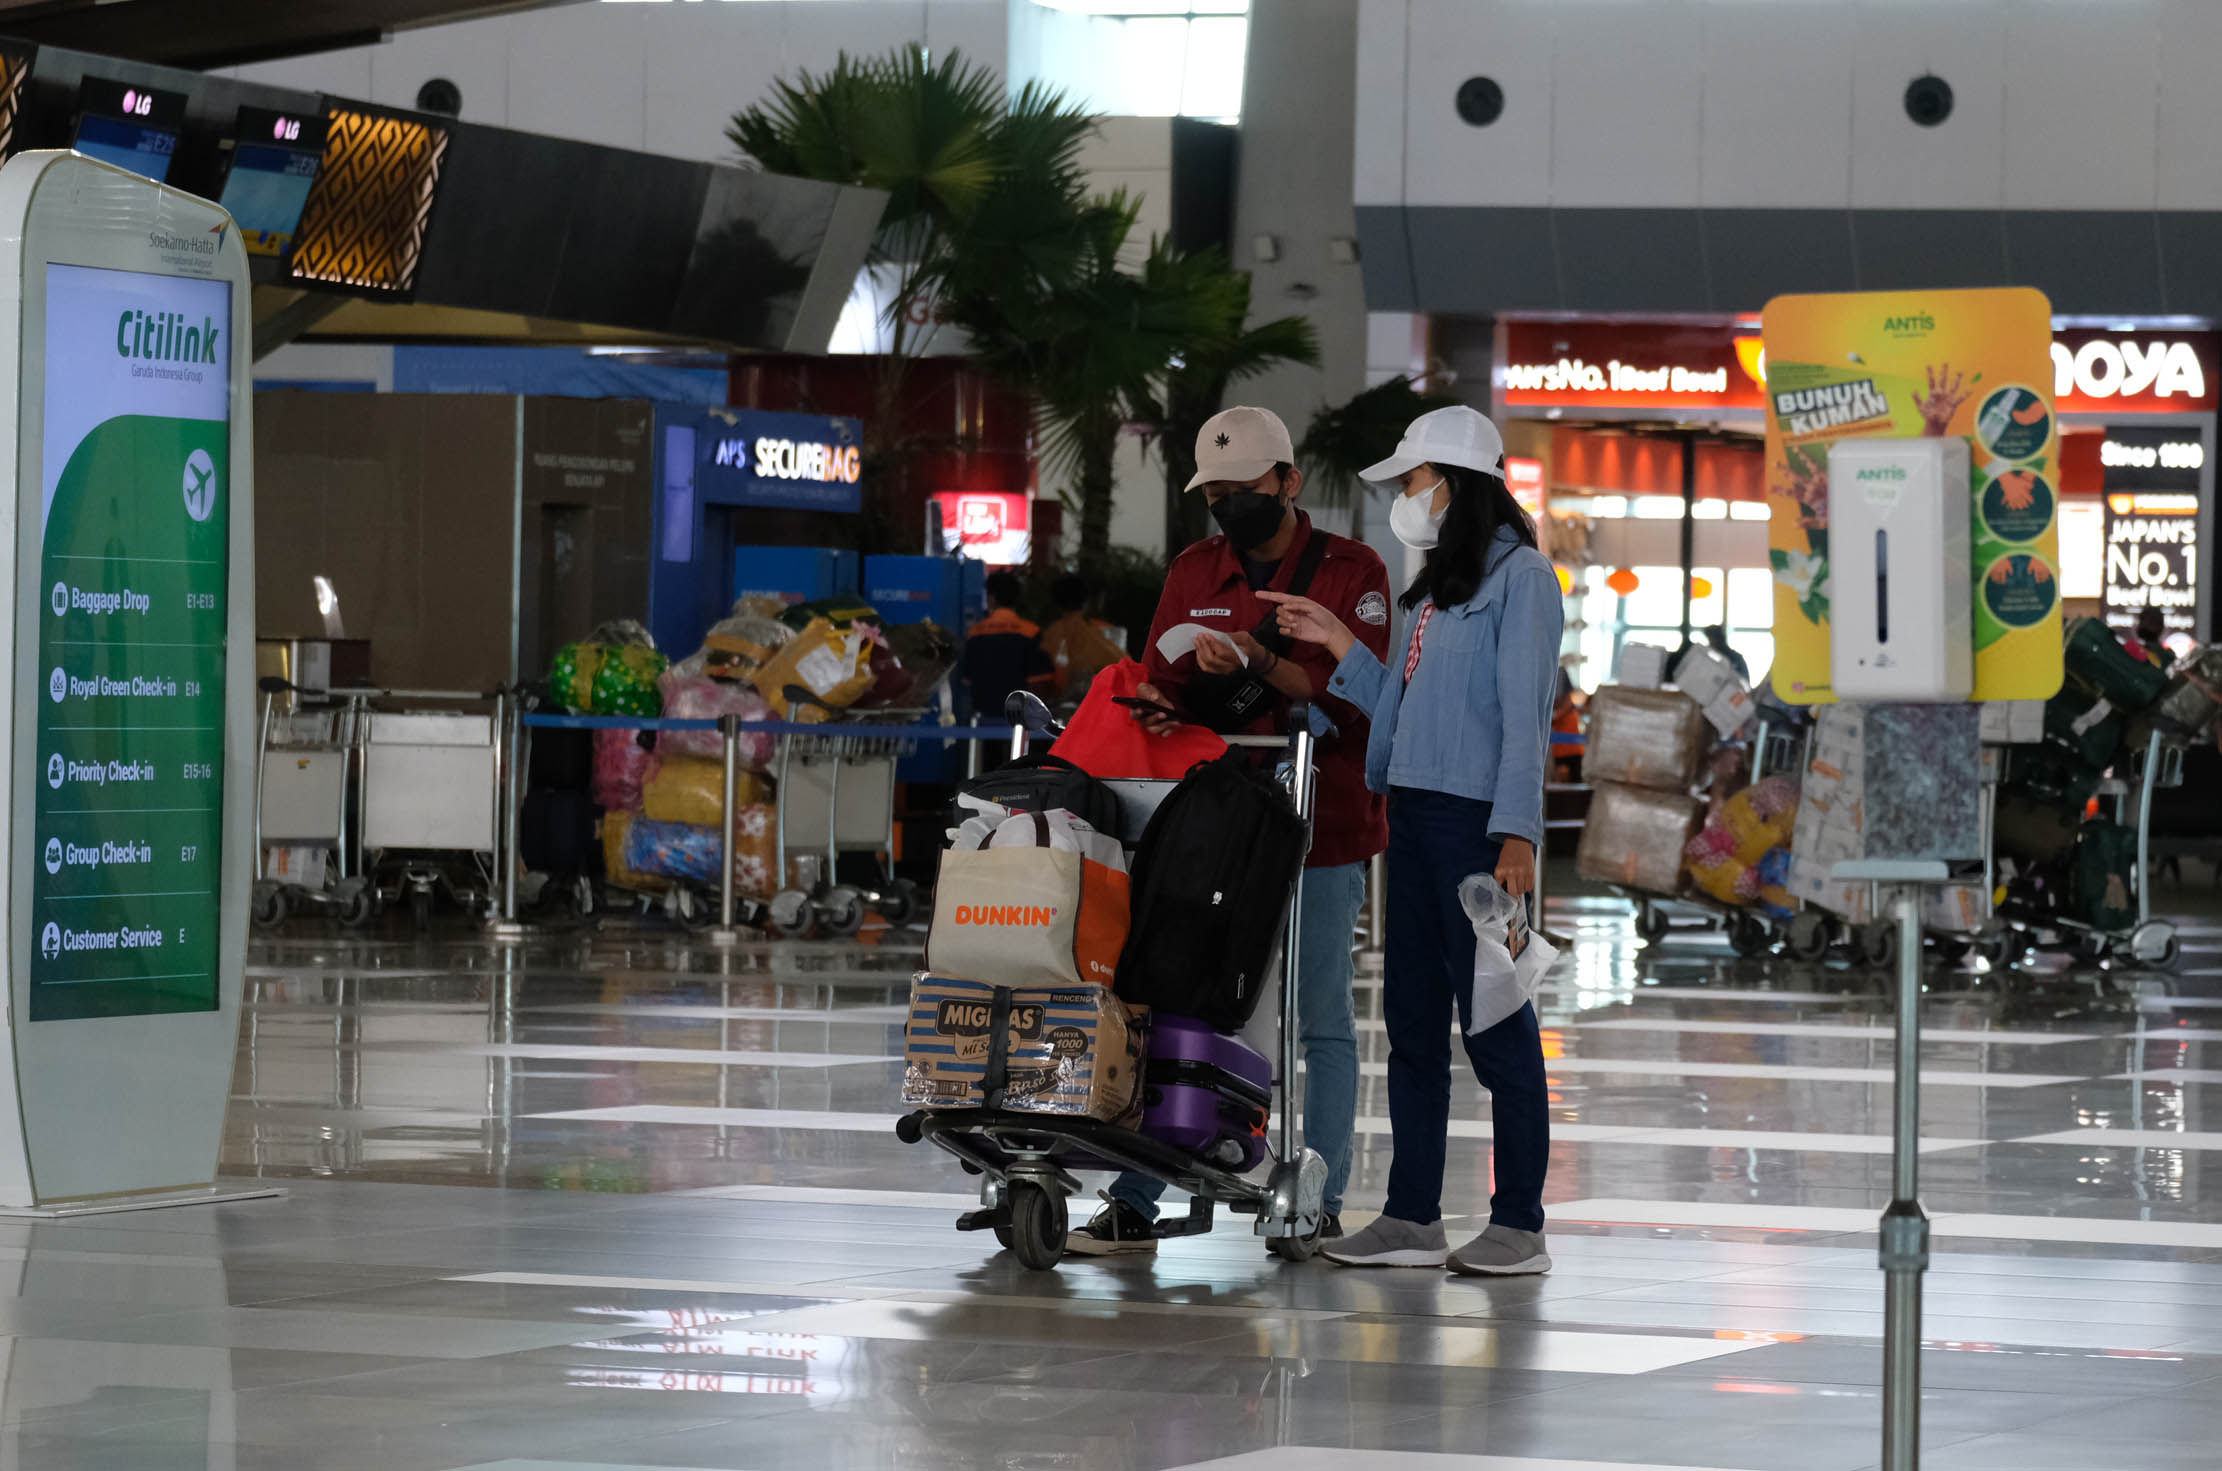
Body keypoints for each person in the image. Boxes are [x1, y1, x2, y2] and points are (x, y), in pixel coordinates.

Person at [1066, 404, 1393, 1256]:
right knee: (1175, 994)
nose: (1229, 508)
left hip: (1320, 823)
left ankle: (1318, 1193)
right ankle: (1138, 1190)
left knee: (1318, 1015)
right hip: (1209, 821)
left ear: (1288, 482)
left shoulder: (1353, 571)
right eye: (1215, 496)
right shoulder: (1195, 569)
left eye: (1245, 492)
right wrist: (1163, 698)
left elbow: (1360, 697)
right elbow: (1160, 687)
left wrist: (1260, 660)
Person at [1259, 404, 1562, 1277]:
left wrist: (1518, 834)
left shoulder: (1522, 580)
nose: (1405, 495)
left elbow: (1523, 723)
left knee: (1499, 1025)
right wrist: (1344, 646)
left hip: (1480, 834)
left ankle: (1521, 1222)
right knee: (1416, 1024)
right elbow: (1404, 708)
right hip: (1418, 824)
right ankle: (1411, 1214)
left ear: (1455, 484)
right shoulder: (1434, 590)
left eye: (1413, 480)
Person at [959, 571, 1053, 722]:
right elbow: (1039, 681)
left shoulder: (975, 634)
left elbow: (967, 681)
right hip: (1020, 721)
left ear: (991, 598)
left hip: (983, 722)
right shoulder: (1030, 632)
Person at [1038, 573, 1126, 703]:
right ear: (1086, 603)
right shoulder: (1107, 632)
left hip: (1060, 707)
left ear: (1056, 604)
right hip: (1101, 704)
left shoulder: (1048, 635)